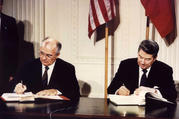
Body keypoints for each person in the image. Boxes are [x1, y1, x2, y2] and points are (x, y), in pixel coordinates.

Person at [108, 40, 177, 102]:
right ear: (138, 53)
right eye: (140, 57)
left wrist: (153, 91)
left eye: (147, 59)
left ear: (155, 58)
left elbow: (172, 95)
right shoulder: (126, 65)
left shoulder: (164, 69)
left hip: (153, 111)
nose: (142, 62)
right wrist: (118, 91)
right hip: (130, 111)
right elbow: (110, 89)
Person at [14, 37, 80, 101]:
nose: (43, 58)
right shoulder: (28, 66)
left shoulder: (67, 68)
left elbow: (75, 93)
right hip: (33, 109)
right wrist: (17, 88)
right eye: (41, 53)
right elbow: (15, 84)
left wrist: (56, 91)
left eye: (49, 55)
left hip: (56, 109)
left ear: (57, 55)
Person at [0, 0, 19, 95]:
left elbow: (14, 50)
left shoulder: (10, 22)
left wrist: (12, 73)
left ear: (1, 5)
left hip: (4, 71)